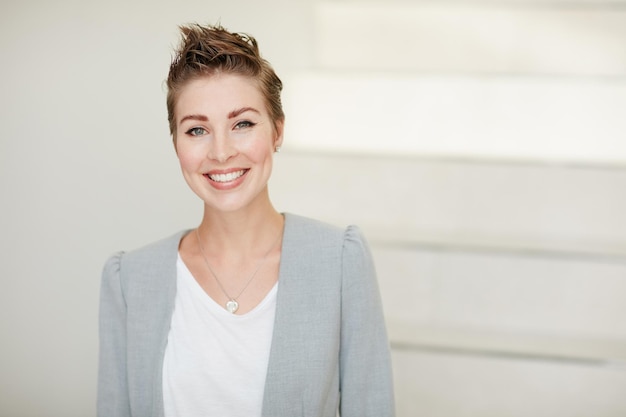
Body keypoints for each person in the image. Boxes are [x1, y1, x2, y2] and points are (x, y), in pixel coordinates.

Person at [98, 23, 394, 417]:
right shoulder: (129, 279)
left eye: (242, 124)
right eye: (197, 129)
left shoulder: (339, 261)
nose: (220, 153)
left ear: (277, 131)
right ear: (176, 145)